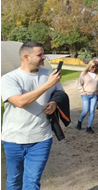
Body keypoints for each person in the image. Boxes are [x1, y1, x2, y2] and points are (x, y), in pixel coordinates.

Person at [1, 41, 64, 189]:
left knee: (32, 182)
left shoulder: (49, 74)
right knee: (14, 180)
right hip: (13, 139)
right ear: (26, 57)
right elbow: (20, 102)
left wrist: (54, 103)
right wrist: (48, 85)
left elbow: (60, 93)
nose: (44, 57)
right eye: (40, 54)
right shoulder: (9, 78)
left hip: (41, 139)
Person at [76, 60, 98, 134]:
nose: (94, 69)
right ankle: (79, 122)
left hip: (94, 95)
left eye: (96, 67)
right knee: (85, 110)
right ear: (89, 66)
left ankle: (89, 127)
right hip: (86, 95)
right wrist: (82, 91)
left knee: (92, 111)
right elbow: (79, 84)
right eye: (93, 67)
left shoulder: (97, 74)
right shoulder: (84, 74)